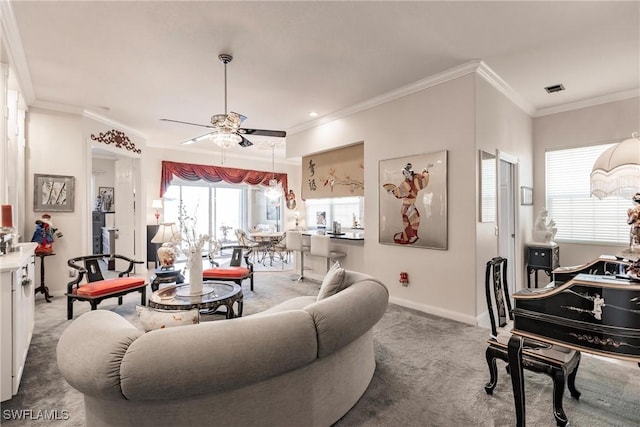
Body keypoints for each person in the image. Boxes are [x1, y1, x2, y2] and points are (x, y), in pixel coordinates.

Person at [383, 163, 431, 245]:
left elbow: (423, 182)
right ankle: (410, 236)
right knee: (411, 220)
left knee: (414, 219)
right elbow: (399, 191)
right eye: (404, 173)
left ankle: (410, 236)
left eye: (407, 173)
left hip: (410, 204)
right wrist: (392, 191)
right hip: (406, 205)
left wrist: (426, 170)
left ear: (410, 172)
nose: (406, 175)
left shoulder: (416, 179)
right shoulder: (405, 183)